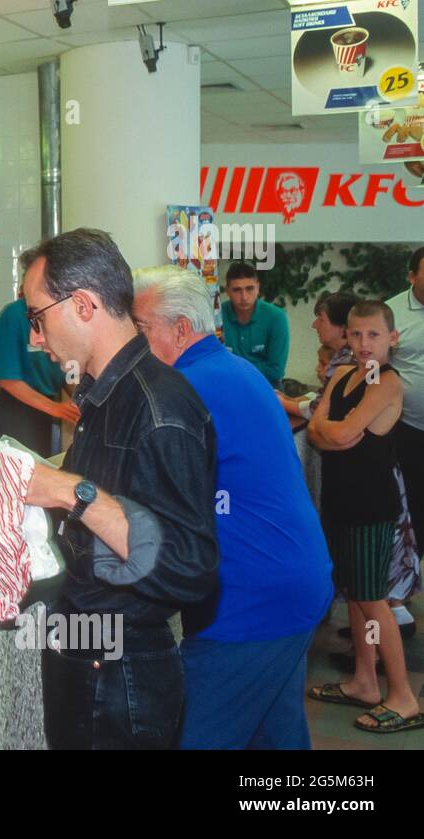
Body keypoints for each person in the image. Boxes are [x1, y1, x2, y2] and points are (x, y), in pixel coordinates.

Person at [17, 229, 219, 749]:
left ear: (82, 305)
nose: (34, 338)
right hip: (87, 656)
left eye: (37, 317)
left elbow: (187, 567)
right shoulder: (104, 397)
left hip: (122, 672)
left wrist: (73, 492)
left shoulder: (159, 408)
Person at [132, 266, 332, 749]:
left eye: (139, 330)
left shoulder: (187, 389)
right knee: (275, 738)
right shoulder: (235, 368)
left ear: (180, 328)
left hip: (249, 605)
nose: (131, 344)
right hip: (294, 586)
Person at [307, 301, 422, 733]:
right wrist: (332, 430)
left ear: (392, 339)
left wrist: (332, 430)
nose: (363, 344)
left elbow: (333, 431)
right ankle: (365, 680)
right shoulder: (344, 374)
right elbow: (322, 429)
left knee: (375, 602)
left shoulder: (387, 383)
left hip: (373, 507)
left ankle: (404, 697)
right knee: (356, 597)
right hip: (341, 503)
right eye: (355, 335)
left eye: (373, 335)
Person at [0, 287, 77, 456]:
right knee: (23, 470)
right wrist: (55, 408)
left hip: (47, 409)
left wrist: (78, 398)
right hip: (19, 411)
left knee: (44, 464)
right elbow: (7, 379)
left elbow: (70, 368)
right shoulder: (14, 315)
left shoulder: (59, 311)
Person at [388, 247, 424, 549]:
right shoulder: (391, 313)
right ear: (411, 275)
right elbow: (370, 365)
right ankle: (409, 574)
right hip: (409, 428)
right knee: (413, 503)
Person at [279, 291, 357, 419]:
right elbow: (323, 396)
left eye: (321, 319)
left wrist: (281, 402)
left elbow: (317, 410)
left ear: (343, 328)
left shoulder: (350, 362)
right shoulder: (341, 355)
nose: (314, 325)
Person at [221, 261, 289, 387]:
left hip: (266, 387)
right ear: (227, 291)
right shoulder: (216, 316)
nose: (244, 297)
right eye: (237, 290)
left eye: (249, 288)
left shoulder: (276, 317)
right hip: (227, 386)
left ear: (258, 287)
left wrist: (230, 368)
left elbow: (276, 371)